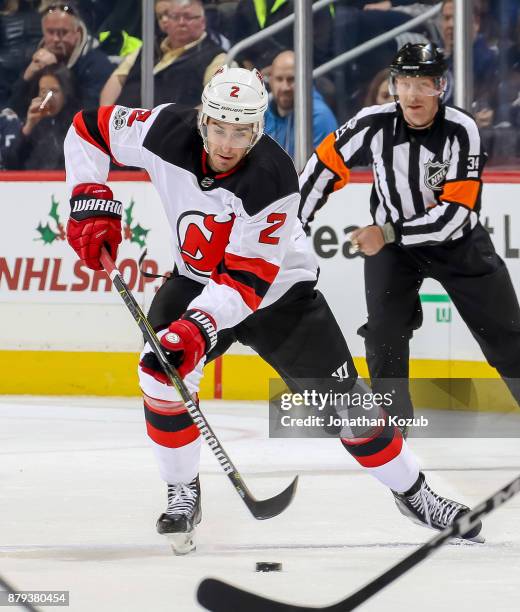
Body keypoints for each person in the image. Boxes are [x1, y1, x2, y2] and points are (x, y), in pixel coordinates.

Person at [64, 65, 482, 554]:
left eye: (241, 131)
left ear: (257, 128)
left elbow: (246, 282)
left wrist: (194, 332)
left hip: (278, 295)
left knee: (353, 407)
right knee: (159, 372)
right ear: (202, 119)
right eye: (219, 127)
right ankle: (182, 490)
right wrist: (87, 197)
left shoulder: (273, 176)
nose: (227, 143)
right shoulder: (161, 129)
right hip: (196, 281)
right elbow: (87, 129)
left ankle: (415, 493)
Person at [299, 42, 520, 461]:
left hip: (457, 245)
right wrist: (295, 226)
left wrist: (386, 232)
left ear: (441, 86)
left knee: (507, 336)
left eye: (424, 84)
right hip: (395, 250)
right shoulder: (373, 122)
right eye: (404, 83)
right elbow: (322, 167)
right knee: (384, 333)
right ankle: (391, 430)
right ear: (393, 84)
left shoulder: (462, 129)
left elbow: (455, 216)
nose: (413, 95)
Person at [100, 0, 226, 108]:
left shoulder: (217, 57)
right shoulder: (148, 47)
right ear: (166, 22)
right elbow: (118, 79)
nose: (182, 22)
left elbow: (214, 104)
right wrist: (106, 118)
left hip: (168, 132)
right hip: (121, 127)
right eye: (175, 17)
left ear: (203, 22)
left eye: (189, 17)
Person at [7, 1, 113, 119]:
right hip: (35, 131)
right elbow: (12, 111)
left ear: (77, 32)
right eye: (50, 32)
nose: (56, 39)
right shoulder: (35, 57)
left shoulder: (97, 65)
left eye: (63, 32)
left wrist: (59, 75)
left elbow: (87, 117)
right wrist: (27, 77)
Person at [264, 50, 337, 161]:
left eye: (291, 79)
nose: (285, 87)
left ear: (304, 80)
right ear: (271, 81)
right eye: (279, 79)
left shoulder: (319, 116)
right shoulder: (262, 112)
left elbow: (323, 172)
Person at [3, 64, 79, 169]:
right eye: (43, 91)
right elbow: (11, 163)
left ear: (66, 94)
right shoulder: (33, 122)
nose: (48, 97)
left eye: (54, 91)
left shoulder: (78, 125)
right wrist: (28, 127)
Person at [440, 0, 499, 129]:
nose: (450, 24)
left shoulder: (489, 61)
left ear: (476, 23)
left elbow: (488, 107)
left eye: (456, 18)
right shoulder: (436, 60)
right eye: (446, 18)